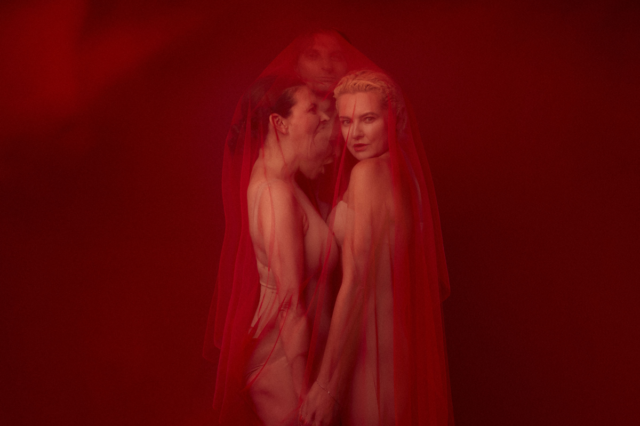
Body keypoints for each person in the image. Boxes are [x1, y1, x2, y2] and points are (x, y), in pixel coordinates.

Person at [299, 70, 454, 425]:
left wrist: (326, 385)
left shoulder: (368, 174)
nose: (354, 134)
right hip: (394, 346)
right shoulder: (404, 173)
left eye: (368, 119)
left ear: (394, 119)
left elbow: (356, 283)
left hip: (372, 353)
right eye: (346, 121)